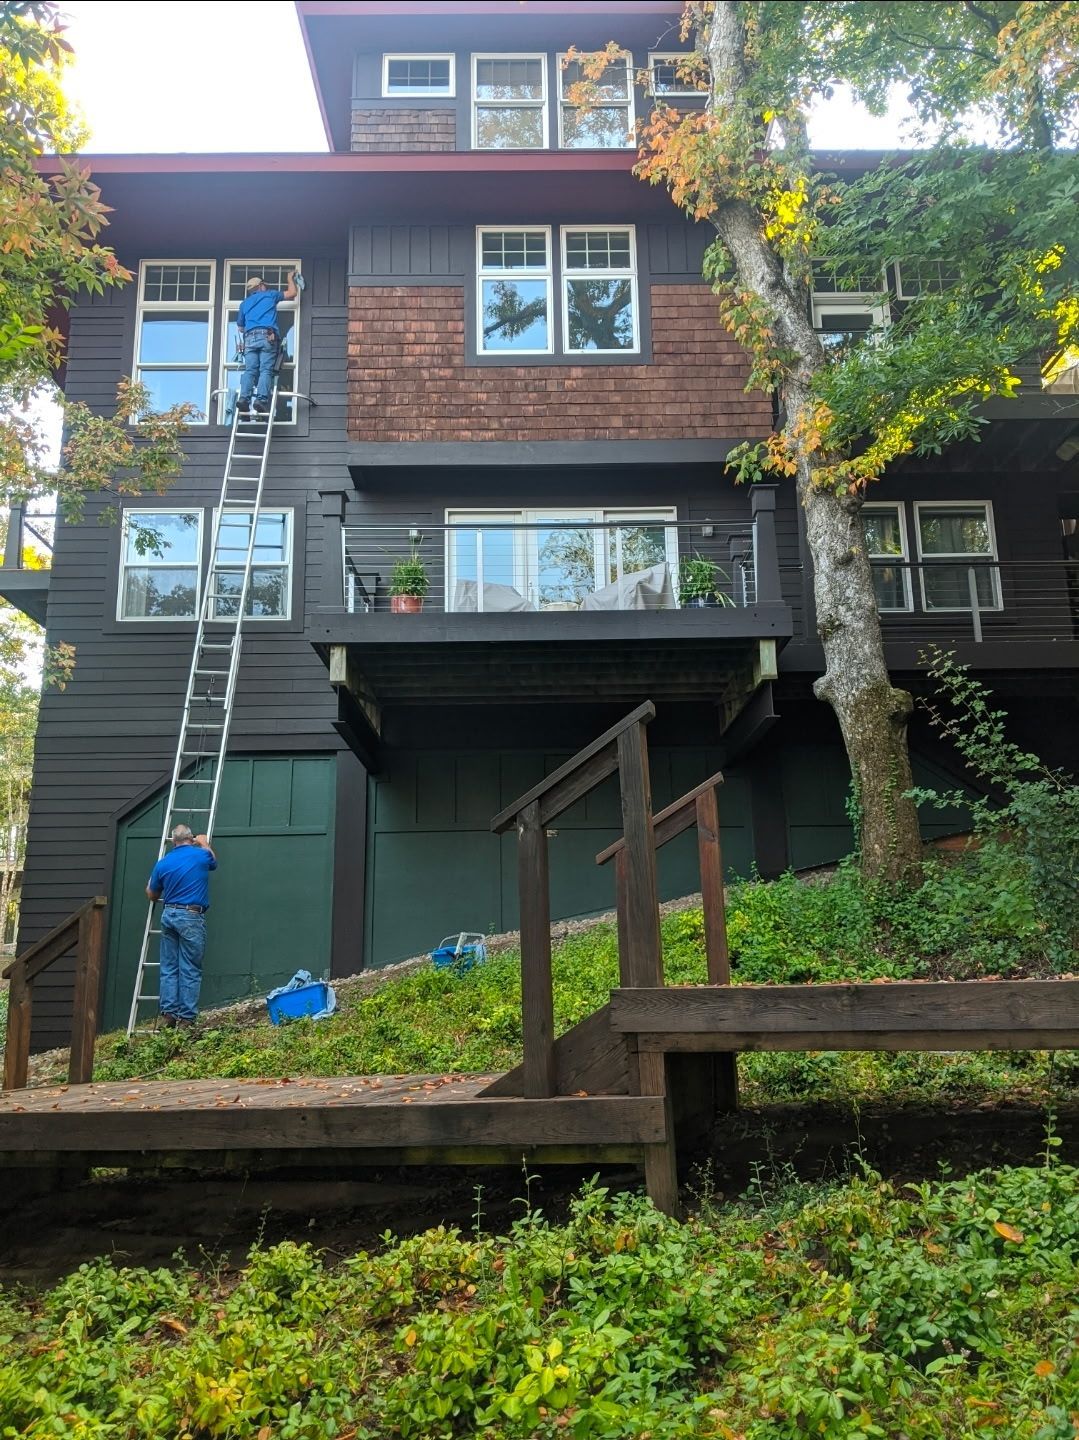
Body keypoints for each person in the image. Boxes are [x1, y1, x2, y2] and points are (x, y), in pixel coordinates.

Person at [146, 824, 218, 1029]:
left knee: (169, 967)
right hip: (191, 915)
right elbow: (213, 862)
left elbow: (152, 894)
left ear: (173, 841)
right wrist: (203, 842)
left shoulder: (163, 862)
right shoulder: (200, 856)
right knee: (190, 968)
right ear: (190, 839)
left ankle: (169, 1014)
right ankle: (186, 1019)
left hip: (169, 914)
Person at [236, 272, 299, 416]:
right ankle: (261, 400)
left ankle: (244, 399)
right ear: (261, 286)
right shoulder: (270, 295)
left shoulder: (244, 304)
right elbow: (292, 293)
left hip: (249, 338)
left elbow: (240, 327)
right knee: (265, 370)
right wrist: (290, 278)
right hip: (267, 335)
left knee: (250, 370)